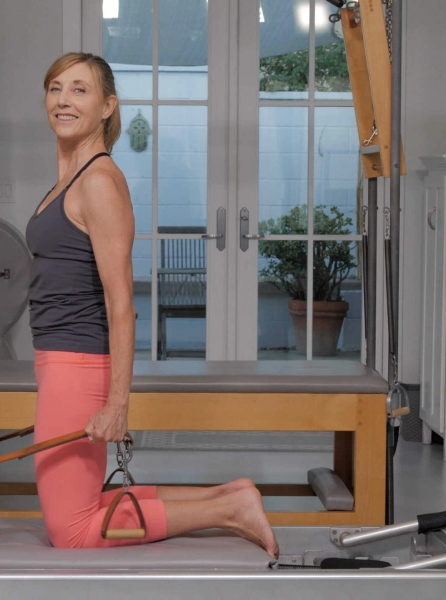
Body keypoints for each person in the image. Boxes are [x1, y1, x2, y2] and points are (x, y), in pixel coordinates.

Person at [25, 52, 279, 558]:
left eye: (80, 89)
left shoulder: (98, 181)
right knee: (83, 501)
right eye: (55, 87)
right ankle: (229, 496)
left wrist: (118, 403)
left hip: (79, 365)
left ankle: (228, 512)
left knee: (72, 529)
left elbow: (123, 304)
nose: (63, 99)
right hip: (58, 362)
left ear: (107, 106)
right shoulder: (67, 181)